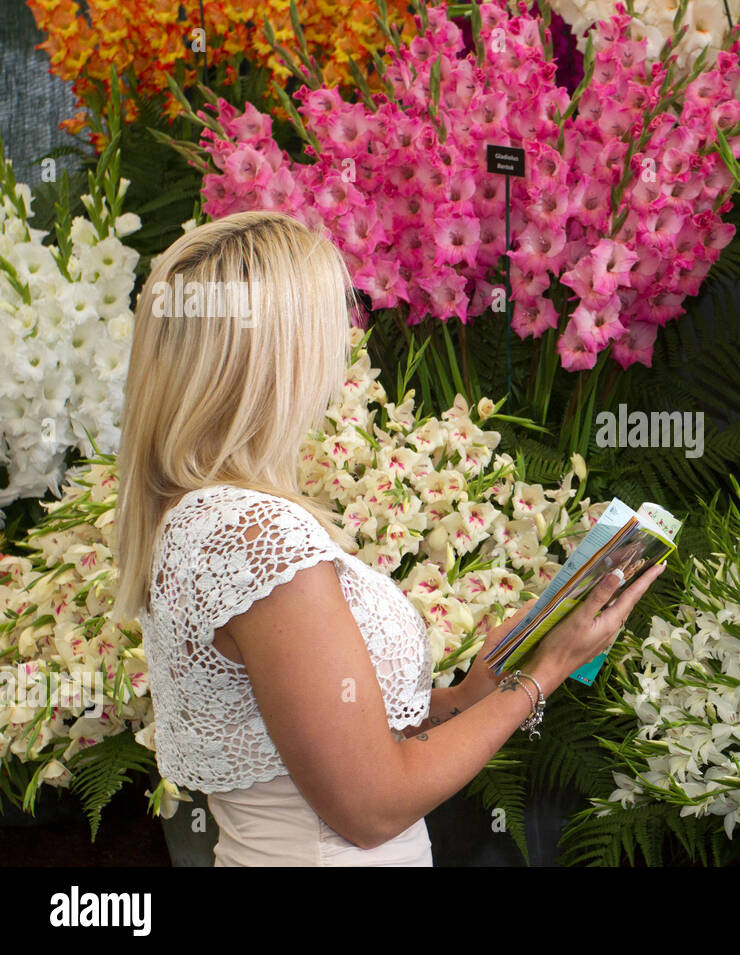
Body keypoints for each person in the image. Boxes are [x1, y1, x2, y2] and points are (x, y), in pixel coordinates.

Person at [110, 210, 663, 865]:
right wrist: (544, 672)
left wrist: (466, 696)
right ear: (280, 352)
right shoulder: (254, 532)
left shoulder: (200, 518)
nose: (345, 342)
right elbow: (370, 806)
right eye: (333, 318)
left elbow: (311, 737)